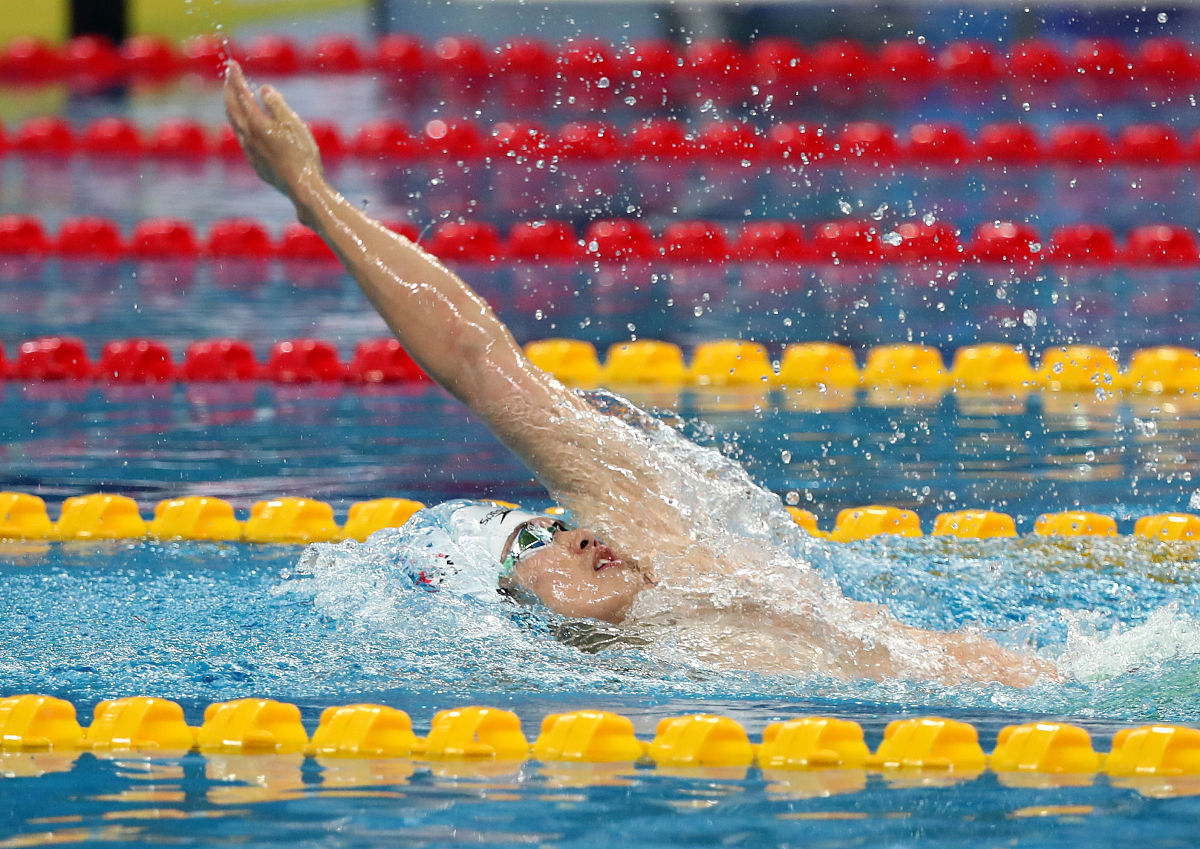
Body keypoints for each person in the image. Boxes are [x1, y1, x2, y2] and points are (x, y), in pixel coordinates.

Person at [224, 62, 1059, 687]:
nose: (579, 532)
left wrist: (313, 197)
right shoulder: (602, 699)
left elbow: (481, 363)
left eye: (550, 520)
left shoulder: (662, 540)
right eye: (534, 541)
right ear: (498, 607)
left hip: (1051, 697)